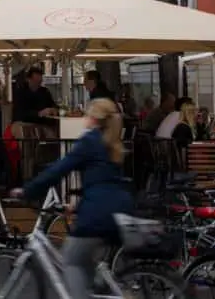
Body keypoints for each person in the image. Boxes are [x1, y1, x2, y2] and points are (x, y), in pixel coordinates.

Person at [10, 99, 133, 299]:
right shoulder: (111, 142)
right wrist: (78, 205)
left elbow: (59, 170)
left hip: (98, 214)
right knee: (87, 265)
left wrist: (28, 191)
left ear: (93, 118)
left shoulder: (89, 141)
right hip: (119, 209)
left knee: (71, 259)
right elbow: (103, 182)